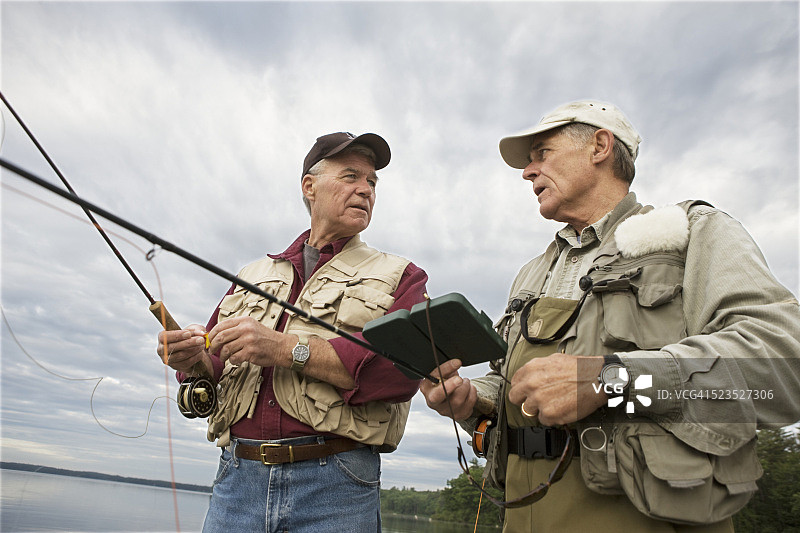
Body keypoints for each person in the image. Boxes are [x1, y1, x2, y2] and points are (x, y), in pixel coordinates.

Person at [420, 100, 800, 532]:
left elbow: (785, 368)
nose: (527, 172)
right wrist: (473, 399)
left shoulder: (692, 231)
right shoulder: (530, 273)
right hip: (522, 513)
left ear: (600, 146)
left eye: (542, 153)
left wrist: (611, 380)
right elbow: (512, 383)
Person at [157, 132, 428, 532]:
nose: (365, 189)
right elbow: (213, 366)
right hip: (237, 481)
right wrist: (192, 357)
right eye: (351, 176)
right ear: (309, 186)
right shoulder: (250, 275)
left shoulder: (403, 275)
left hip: (338, 487)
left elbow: (399, 373)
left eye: (372, 181)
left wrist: (285, 349)